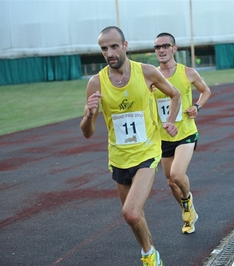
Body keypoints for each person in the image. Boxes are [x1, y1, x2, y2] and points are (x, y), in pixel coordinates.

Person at [80, 26, 181, 266]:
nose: (110, 52)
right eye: (104, 49)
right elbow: (87, 133)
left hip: (147, 153)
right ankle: (150, 251)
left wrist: (169, 121)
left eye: (114, 46)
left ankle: (148, 257)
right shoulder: (96, 83)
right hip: (118, 158)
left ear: (125, 46)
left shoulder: (146, 72)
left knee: (131, 212)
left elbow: (175, 94)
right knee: (135, 216)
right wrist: (89, 114)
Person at [153, 32, 211, 234]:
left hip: (186, 132)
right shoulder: (152, 76)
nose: (161, 50)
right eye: (157, 47)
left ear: (174, 49)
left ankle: (187, 202)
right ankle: (189, 211)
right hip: (163, 136)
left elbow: (206, 91)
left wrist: (197, 106)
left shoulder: (188, 72)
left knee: (178, 174)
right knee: (170, 181)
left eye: (165, 46)